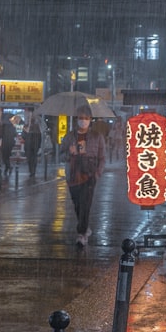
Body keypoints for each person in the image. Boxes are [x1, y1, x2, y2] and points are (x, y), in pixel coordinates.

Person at [60, 102, 106, 246]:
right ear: (76, 119)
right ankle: (84, 226)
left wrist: (98, 173)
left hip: (89, 175)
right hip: (73, 176)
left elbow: (102, 157)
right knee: (77, 204)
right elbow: (60, 155)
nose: (83, 120)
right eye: (80, 118)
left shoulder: (97, 136)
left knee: (86, 204)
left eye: (86, 118)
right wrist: (69, 153)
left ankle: (81, 233)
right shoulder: (69, 136)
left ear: (90, 119)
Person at [23, 112, 42, 176]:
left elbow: (23, 136)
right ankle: (33, 170)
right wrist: (39, 145)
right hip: (34, 145)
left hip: (29, 145)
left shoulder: (27, 126)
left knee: (30, 158)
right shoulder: (37, 127)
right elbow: (40, 137)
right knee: (33, 158)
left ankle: (32, 170)